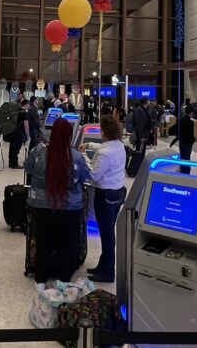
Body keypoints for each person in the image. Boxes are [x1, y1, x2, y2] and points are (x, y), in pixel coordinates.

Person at [25, 118, 91, 287]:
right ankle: (64, 279)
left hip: (40, 204)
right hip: (70, 206)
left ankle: (40, 278)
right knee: (66, 243)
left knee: (43, 242)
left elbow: (28, 168)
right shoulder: (75, 157)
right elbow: (85, 177)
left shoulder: (38, 152)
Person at [81, 114, 126, 283]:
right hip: (118, 193)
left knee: (106, 235)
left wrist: (85, 159)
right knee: (108, 233)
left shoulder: (105, 154)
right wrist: (89, 145)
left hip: (105, 196)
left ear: (104, 131)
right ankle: (103, 265)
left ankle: (107, 272)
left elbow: (94, 177)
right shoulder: (119, 146)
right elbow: (101, 148)